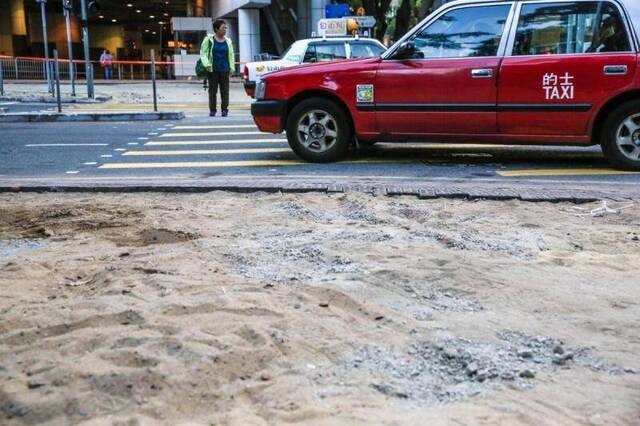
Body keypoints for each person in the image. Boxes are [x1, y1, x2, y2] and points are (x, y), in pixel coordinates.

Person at [199, 19, 235, 117]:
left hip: (225, 69)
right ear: (216, 29)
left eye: (225, 28)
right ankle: (213, 110)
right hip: (212, 69)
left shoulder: (228, 41)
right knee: (212, 91)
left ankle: (224, 110)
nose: (225, 30)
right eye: (223, 28)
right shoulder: (209, 39)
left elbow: (231, 55)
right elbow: (203, 53)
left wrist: (232, 69)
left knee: (225, 91)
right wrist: (207, 64)